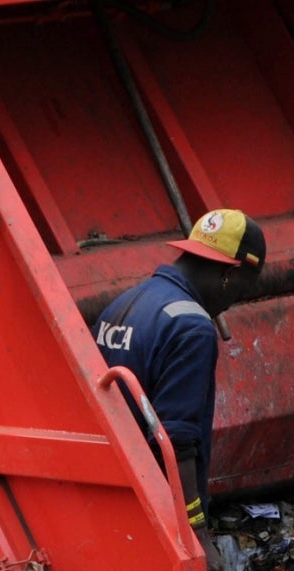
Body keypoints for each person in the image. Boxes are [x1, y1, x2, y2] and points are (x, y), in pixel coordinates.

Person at [92, 207, 268, 537]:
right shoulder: (192, 327)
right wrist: (196, 530)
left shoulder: (125, 303)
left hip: (109, 493)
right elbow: (175, 441)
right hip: (153, 511)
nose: (233, 303)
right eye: (244, 288)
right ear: (229, 274)